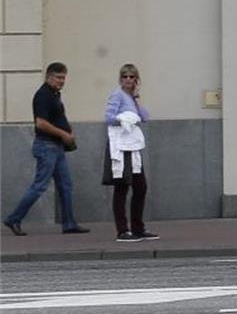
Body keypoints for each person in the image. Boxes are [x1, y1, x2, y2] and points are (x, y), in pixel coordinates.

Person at [3, 62, 90, 236]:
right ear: (48, 77)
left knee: (65, 185)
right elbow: (41, 123)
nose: (62, 81)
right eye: (58, 77)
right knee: (40, 186)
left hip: (56, 146)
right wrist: (64, 134)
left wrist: (69, 130)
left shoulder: (55, 94)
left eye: (64, 77)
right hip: (46, 146)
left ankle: (69, 223)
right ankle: (14, 219)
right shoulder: (43, 95)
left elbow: (58, 117)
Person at [103, 64, 159, 242]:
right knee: (122, 187)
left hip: (132, 146)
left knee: (140, 186)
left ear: (136, 80)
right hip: (121, 146)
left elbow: (145, 117)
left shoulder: (131, 97)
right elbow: (109, 118)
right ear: (121, 79)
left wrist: (136, 100)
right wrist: (124, 120)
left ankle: (138, 227)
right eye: (125, 76)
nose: (128, 79)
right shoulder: (117, 95)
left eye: (132, 76)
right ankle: (122, 230)